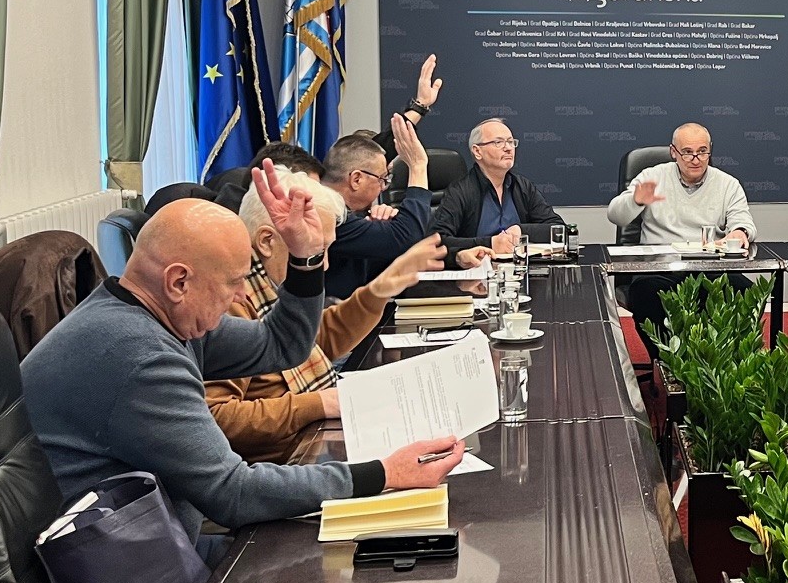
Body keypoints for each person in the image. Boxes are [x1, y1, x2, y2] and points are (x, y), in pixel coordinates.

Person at [22, 167, 465, 552]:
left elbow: (282, 345)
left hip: (156, 537)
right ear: (178, 282)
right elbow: (234, 493)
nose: (241, 295)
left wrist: (305, 261)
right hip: (128, 570)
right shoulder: (140, 356)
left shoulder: (156, 314)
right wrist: (383, 473)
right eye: (233, 282)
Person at [206, 169, 482, 464]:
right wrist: (317, 404)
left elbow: (309, 343)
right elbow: (217, 419)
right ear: (267, 241)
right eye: (316, 251)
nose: (324, 265)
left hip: (315, 440)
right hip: (286, 463)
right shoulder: (230, 301)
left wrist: (378, 291)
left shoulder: (268, 286)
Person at [607, 122, 758, 356]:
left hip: (709, 269)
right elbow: (615, 215)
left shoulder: (727, 184)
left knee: (744, 291)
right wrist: (635, 200)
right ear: (673, 152)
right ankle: (668, 362)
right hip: (659, 269)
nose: (695, 159)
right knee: (646, 294)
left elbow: (744, 221)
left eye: (702, 152)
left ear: (710, 150)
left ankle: (722, 363)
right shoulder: (652, 176)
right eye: (687, 152)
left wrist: (740, 231)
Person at [322, 114, 471, 299]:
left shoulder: (348, 213)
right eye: (382, 179)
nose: (384, 187)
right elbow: (408, 237)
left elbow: (393, 255)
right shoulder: (330, 216)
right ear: (356, 179)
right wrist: (418, 166)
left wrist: (380, 228)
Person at [429, 117, 561, 255]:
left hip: (518, 266)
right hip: (478, 267)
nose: (508, 148)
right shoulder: (460, 191)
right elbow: (435, 242)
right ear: (477, 151)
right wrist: (490, 244)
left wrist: (521, 230)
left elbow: (559, 229)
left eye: (511, 142)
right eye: (498, 142)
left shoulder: (522, 187)